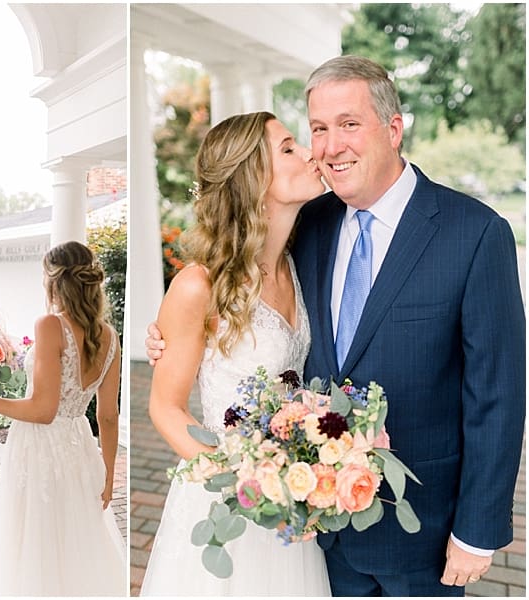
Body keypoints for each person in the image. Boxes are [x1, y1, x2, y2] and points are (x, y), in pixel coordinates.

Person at [146, 56, 525, 596]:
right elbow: (216, 313)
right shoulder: (312, 227)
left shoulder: (476, 233)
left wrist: (478, 531)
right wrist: (168, 332)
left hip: (425, 534)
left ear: (393, 129)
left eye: (349, 124)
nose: (325, 147)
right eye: (316, 130)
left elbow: (499, 394)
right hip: (312, 535)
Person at [138, 112, 331, 595]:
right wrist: (241, 482)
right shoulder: (197, 285)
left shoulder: (298, 261)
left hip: (291, 497)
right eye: (288, 148)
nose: (310, 151)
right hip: (227, 499)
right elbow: (164, 406)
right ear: (252, 177)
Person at [0, 241, 126, 596]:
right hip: (81, 449)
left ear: (54, 281)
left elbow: (42, 410)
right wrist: (108, 474)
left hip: (41, 448)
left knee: (36, 544)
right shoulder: (110, 337)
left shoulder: (50, 324)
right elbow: (108, 417)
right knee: (74, 543)